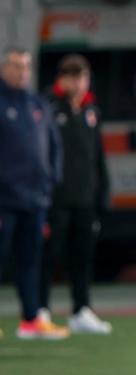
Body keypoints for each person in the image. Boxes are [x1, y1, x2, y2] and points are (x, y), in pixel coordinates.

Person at [38, 54, 112, 334]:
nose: (80, 84)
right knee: (49, 254)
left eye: (83, 78)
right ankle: (39, 309)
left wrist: (103, 191)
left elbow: (98, 155)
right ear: (63, 79)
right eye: (74, 78)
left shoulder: (91, 111)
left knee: (82, 256)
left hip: (85, 197)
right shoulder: (48, 108)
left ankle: (81, 310)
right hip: (56, 198)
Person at [0, 46, 68, 340]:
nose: (22, 72)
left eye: (26, 66)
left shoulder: (37, 104)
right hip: (4, 199)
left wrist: (50, 182)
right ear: (4, 68)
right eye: (16, 66)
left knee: (31, 262)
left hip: (35, 199)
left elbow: (54, 146)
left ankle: (31, 318)